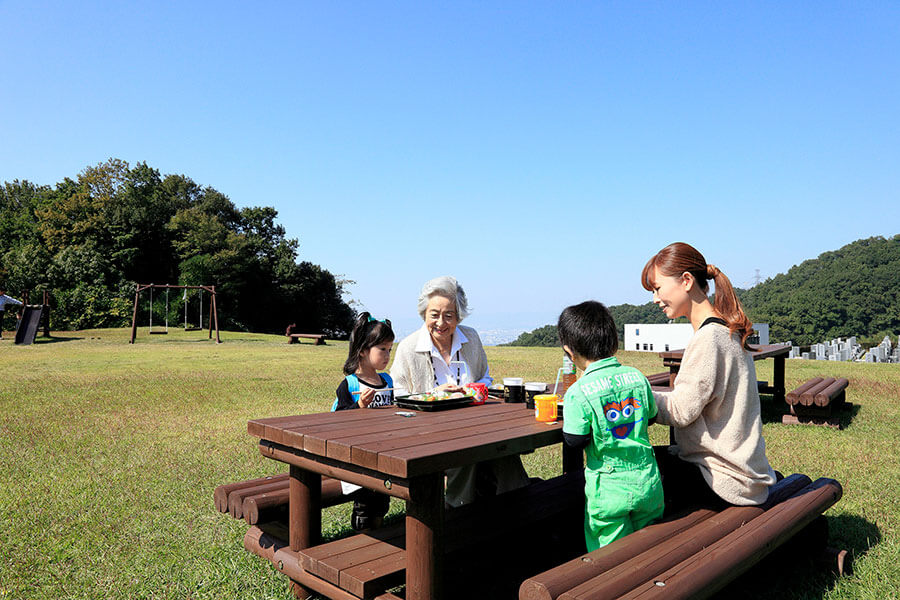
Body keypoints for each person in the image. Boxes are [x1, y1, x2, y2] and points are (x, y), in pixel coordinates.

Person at [641, 242, 777, 514]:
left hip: (722, 480)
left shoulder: (709, 339)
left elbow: (680, 412)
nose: (655, 298)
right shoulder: (727, 330)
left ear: (687, 281)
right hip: (744, 475)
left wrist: (633, 392)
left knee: (627, 468)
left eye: (657, 288)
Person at [391, 276, 530, 507]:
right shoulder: (408, 348)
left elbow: (485, 378)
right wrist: (435, 394)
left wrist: (470, 390)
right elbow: (398, 395)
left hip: (474, 426)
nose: (441, 322)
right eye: (434, 314)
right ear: (424, 314)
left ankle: (519, 507)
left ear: (458, 316)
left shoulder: (471, 338)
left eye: (449, 315)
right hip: (426, 433)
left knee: (504, 447)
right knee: (466, 451)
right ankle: (456, 509)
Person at [559, 301, 664, 551]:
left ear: (569, 352)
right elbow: (650, 416)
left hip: (608, 489)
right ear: (614, 341)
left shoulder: (578, 392)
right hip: (647, 481)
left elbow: (574, 439)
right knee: (648, 541)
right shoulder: (637, 377)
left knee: (610, 553)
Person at [332, 312, 395, 530]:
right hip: (357, 455)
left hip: (383, 451)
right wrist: (358, 407)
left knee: (382, 500)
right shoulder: (350, 384)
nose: (387, 355)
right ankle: (363, 536)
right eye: (382, 349)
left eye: (390, 350)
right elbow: (337, 421)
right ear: (362, 351)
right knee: (365, 502)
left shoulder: (387, 380)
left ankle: (378, 532)